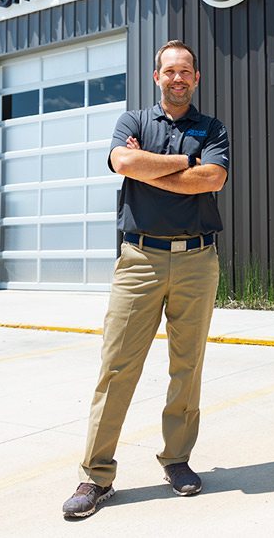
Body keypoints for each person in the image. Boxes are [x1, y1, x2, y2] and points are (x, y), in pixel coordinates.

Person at [62, 39, 230, 519]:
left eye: (186, 72)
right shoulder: (132, 123)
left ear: (196, 79)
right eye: (169, 71)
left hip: (198, 260)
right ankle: (95, 477)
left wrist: (151, 168)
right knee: (117, 367)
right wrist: (184, 163)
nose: (178, 78)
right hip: (139, 260)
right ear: (157, 77)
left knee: (187, 366)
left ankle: (177, 460)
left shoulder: (212, 127)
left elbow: (213, 179)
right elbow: (124, 162)